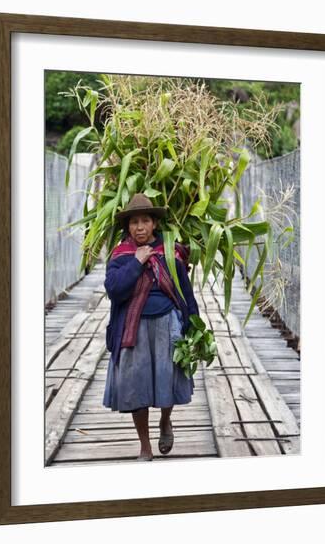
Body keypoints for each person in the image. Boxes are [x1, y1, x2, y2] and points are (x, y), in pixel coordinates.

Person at [102, 193, 200, 461]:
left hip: (168, 325)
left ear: (155, 224)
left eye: (145, 220)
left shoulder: (171, 252)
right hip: (133, 329)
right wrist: (137, 261)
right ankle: (145, 446)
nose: (140, 227)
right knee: (137, 388)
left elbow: (185, 291)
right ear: (128, 227)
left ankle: (165, 420)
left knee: (168, 381)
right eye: (134, 222)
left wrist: (194, 324)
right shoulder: (122, 255)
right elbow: (114, 290)